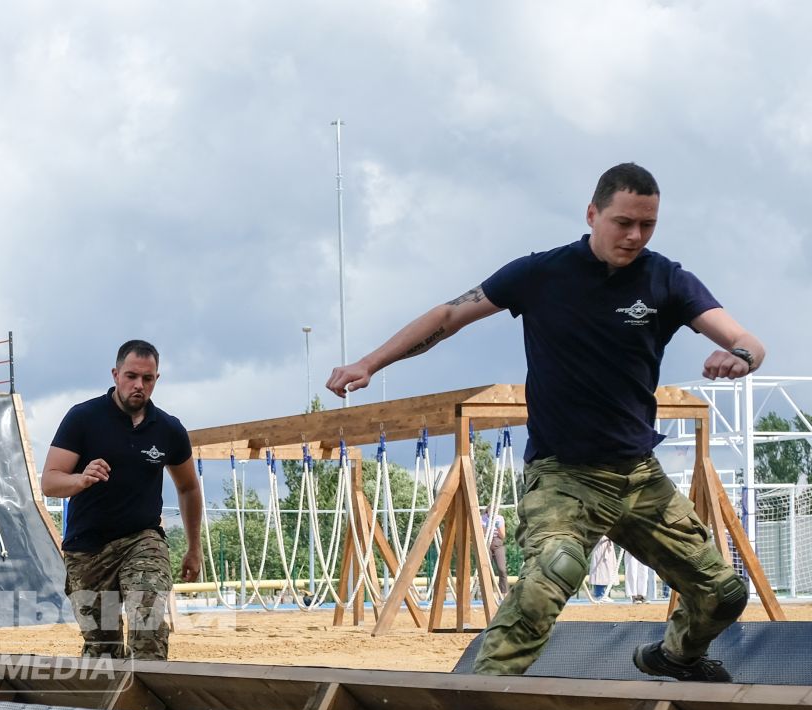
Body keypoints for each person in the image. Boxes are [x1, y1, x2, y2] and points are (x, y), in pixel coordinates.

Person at [327, 163, 764, 681]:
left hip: (638, 476)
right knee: (554, 571)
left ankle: (676, 656)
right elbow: (448, 317)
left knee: (724, 592)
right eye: (623, 222)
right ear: (592, 214)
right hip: (564, 476)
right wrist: (369, 364)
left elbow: (746, 339)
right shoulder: (540, 274)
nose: (634, 236)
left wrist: (738, 355)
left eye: (647, 225)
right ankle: (483, 692)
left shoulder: (666, 278)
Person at [40, 340, 203, 660]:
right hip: (87, 550)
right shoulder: (83, 418)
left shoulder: (169, 430)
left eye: (148, 378)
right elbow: (49, 481)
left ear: (157, 379)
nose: (138, 385)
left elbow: (188, 488)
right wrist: (80, 479)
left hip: (141, 539)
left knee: (149, 628)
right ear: (116, 374)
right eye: (131, 376)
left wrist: (194, 548)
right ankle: (104, 707)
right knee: (103, 649)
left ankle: (148, 704)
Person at [486, 508, 510, 592]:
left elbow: (502, 536)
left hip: (498, 543)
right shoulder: (483, 518)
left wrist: (496, 525)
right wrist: (488, 525)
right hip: (487, 542)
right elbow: (482, 533)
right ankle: (489, 592)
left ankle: (504, 592)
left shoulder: (499, 518)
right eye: (490, 510)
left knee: (502, 569)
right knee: (487, 569)